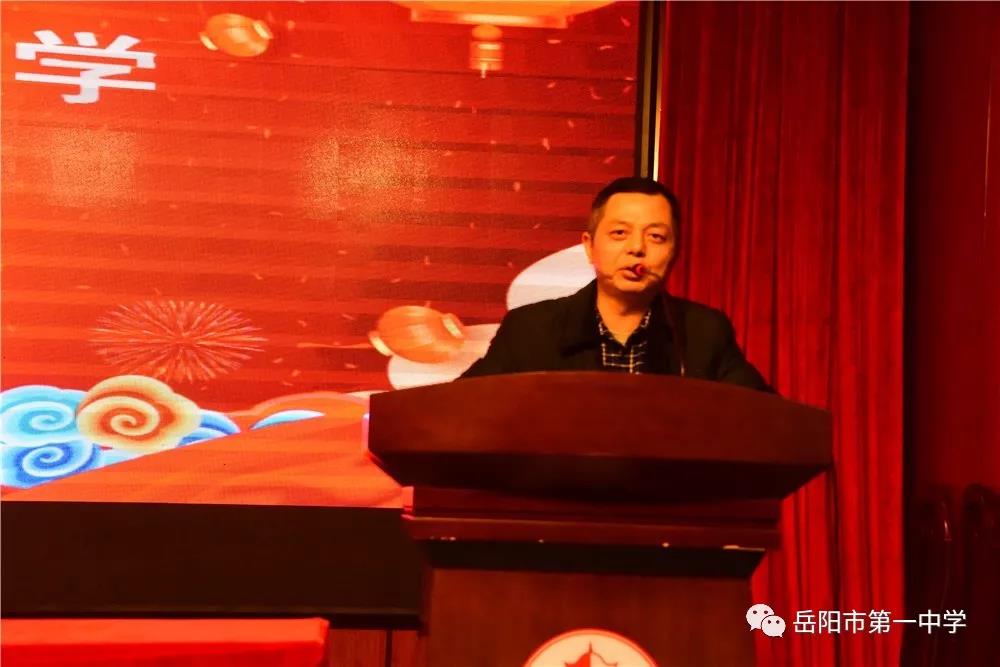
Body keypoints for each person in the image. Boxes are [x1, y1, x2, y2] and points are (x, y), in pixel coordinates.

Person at [459, 176, 772, 392]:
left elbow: (766, 419)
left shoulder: (703, 333)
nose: (637, 248)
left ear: (675, 251)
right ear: (589, 246)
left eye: (656, 236)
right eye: (619, 233)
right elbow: (459, 409)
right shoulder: (530, 329)